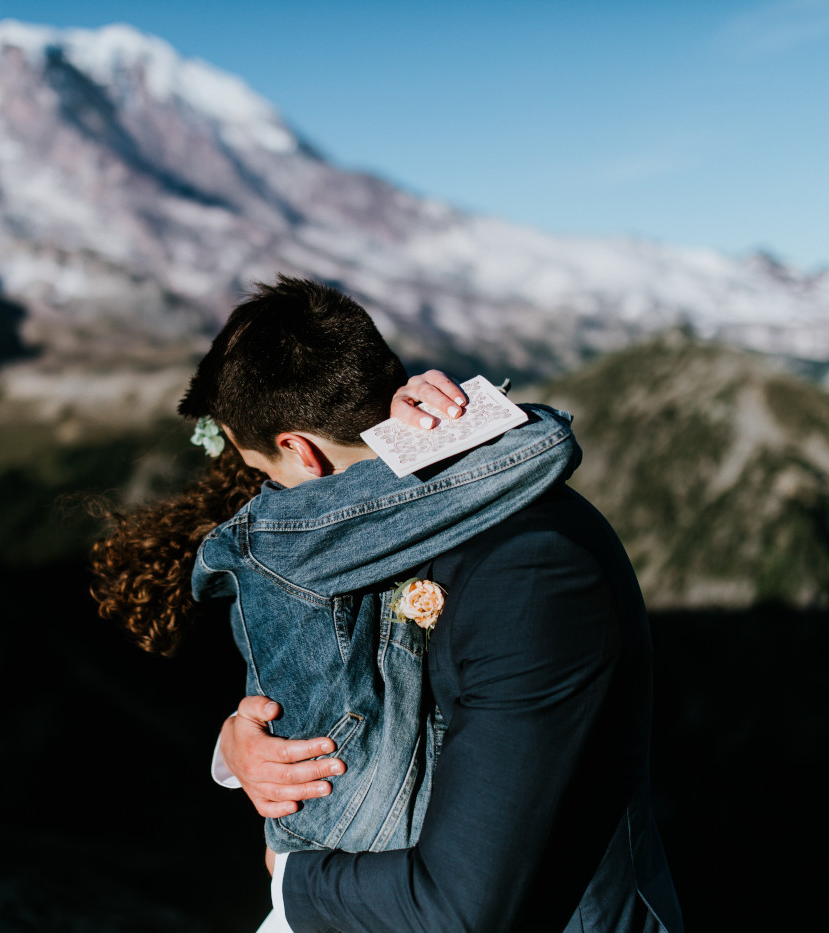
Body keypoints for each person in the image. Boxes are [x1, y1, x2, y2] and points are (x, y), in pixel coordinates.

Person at [94, 276, 679, 931]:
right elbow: (353, 684)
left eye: (265, 479)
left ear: (299, 451)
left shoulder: (529, 568)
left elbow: (459, 911)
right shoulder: (372, 534)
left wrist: (292, 878)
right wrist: (241, 750)